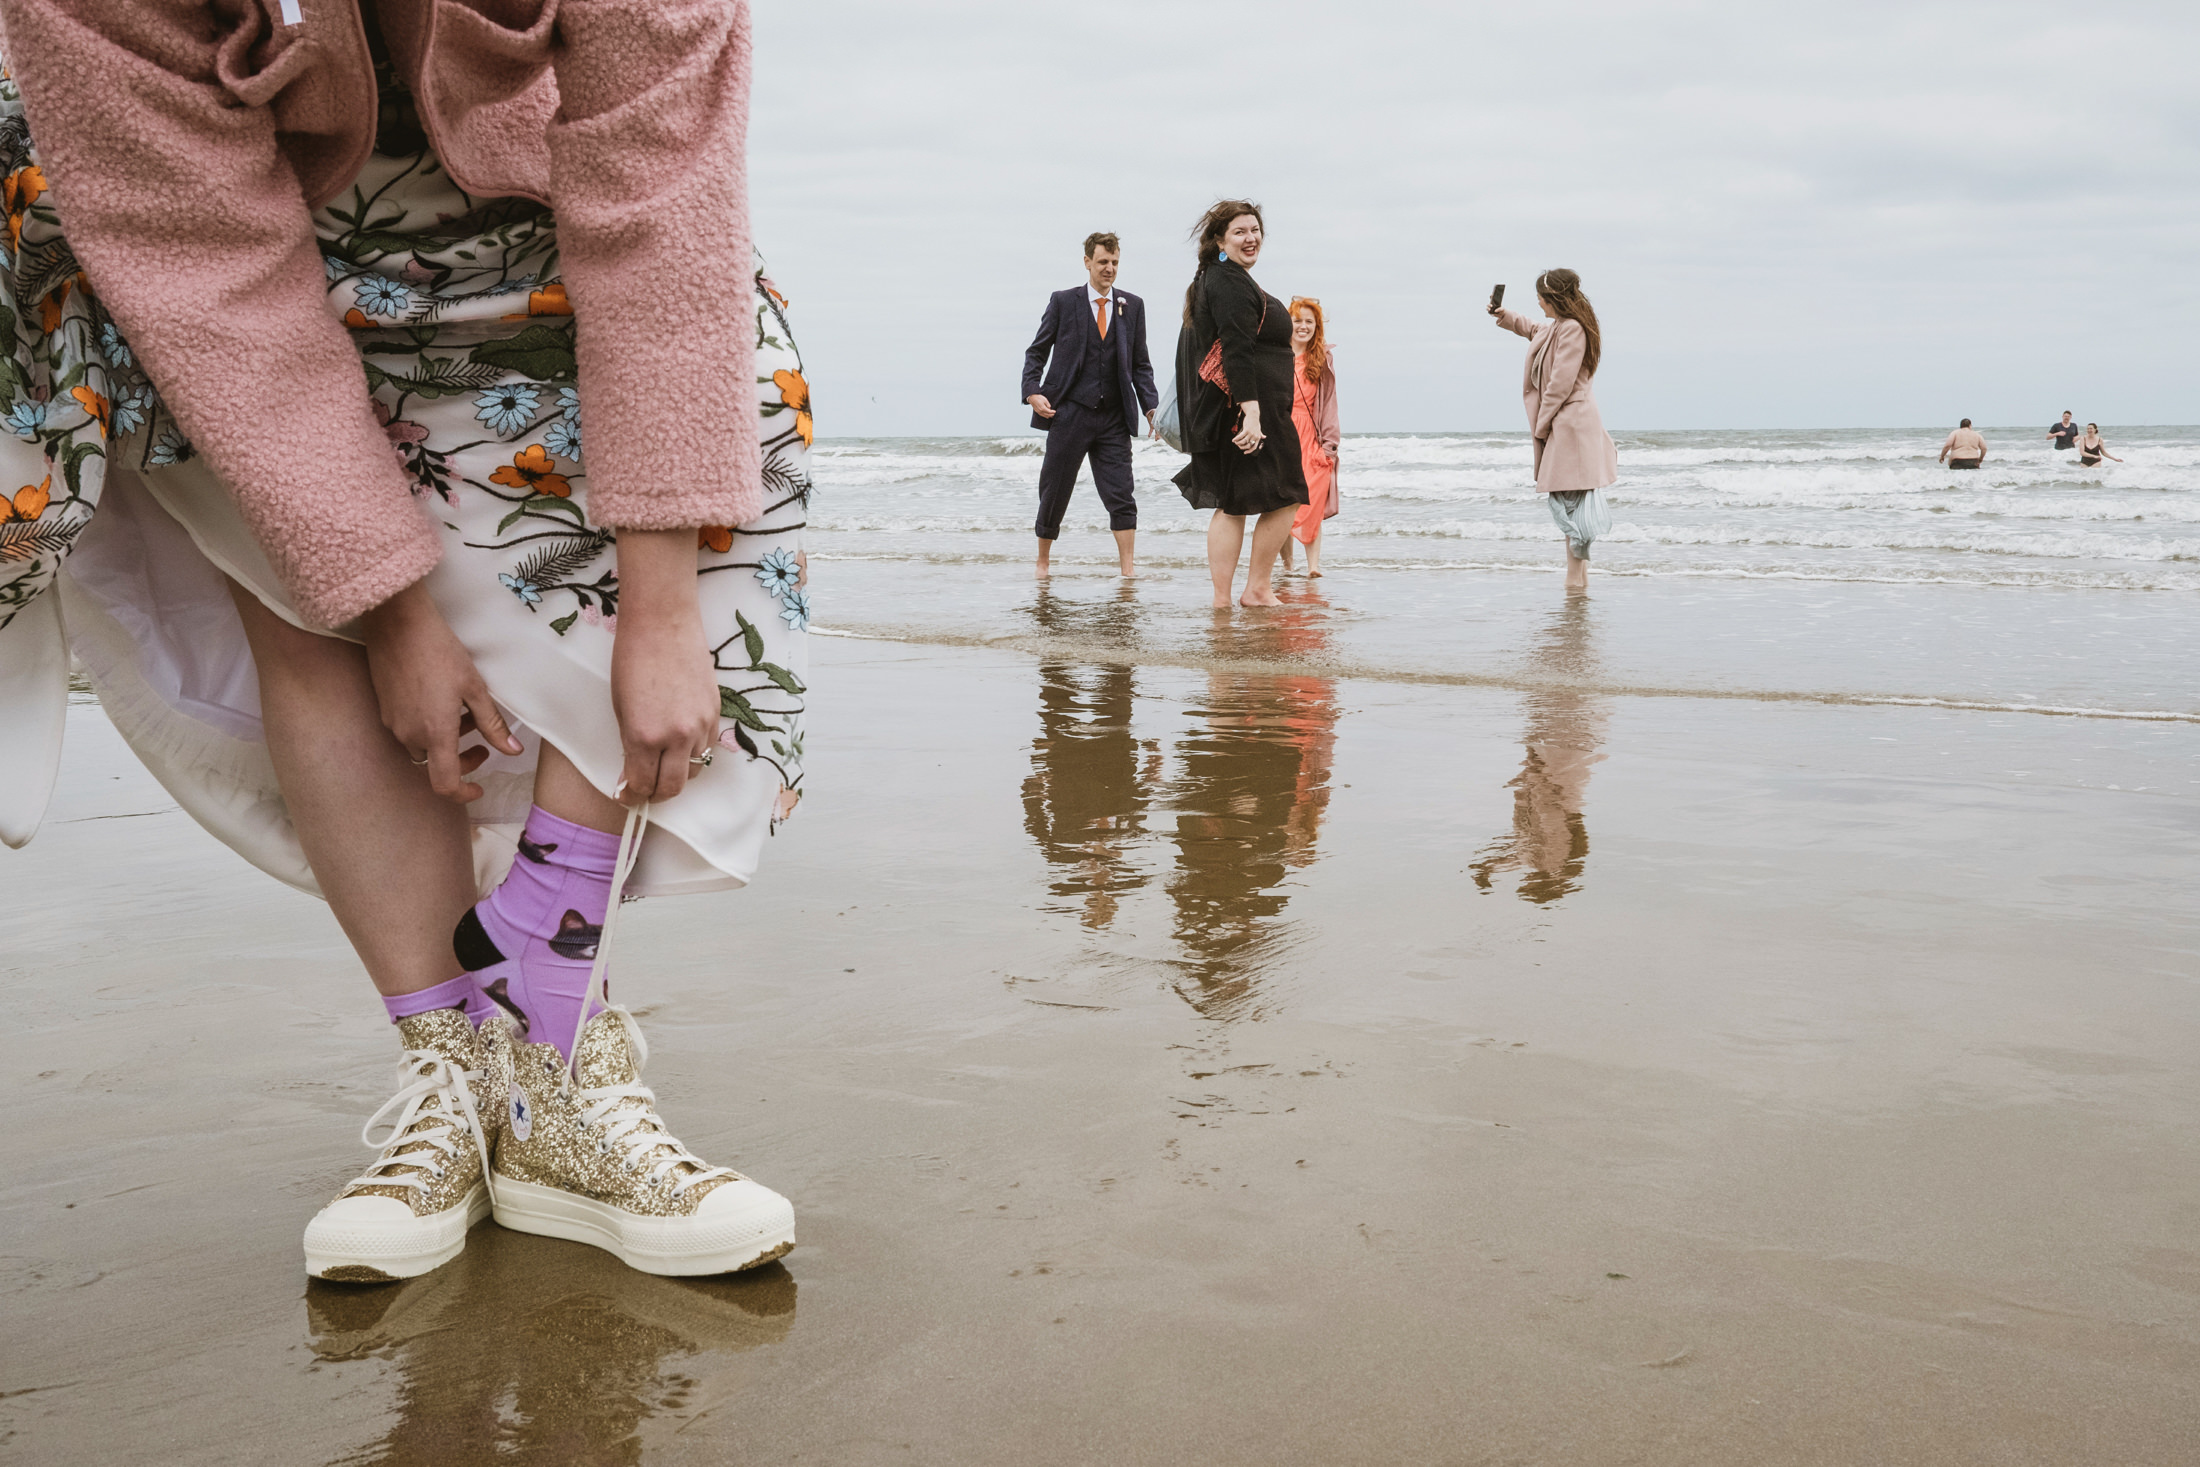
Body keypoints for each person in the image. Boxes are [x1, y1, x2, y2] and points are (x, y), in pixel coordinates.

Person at [0, 0, 804, 1284]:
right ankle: (456, 1072)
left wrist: (660, 597)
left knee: (728, 417)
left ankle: (548, 1070)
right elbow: (197, 256)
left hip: (538, 192)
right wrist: (385, 609)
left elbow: (660, 178)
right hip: (207, 245)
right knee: (281, 566)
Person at [1172, 201, 1307, 608]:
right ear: (1219, 241)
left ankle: (1224, 599)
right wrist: (1251, 412)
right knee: (1288, 493)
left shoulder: (1222, 278)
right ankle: (1257, 589)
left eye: (1255, 230)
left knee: (1234, 503)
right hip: (1249, 412)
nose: (1251, 238)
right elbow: (1236, 350)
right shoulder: (1227, 281)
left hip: (1244, 410)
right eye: (1239, 232)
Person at [1021, 232, 1159, 579]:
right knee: (1055, 489)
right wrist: (1032, 392)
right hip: (1069, 412)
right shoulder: (1063, 302)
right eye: (1103, 262)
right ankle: (1042, 563)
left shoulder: (1133, 305)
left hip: (1113, 417)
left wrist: (1151, 409)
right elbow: (1036, 352)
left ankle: (1128, 571)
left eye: (1114, 262)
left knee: (1121, 492)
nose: (1109, 268)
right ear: (1087, 263)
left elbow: (1141, 364)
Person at [1489, 268, 1617, 592]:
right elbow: (1533, 329)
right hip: (1566, 427)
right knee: (1571, 508)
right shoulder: (1560, 326)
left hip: (1572, 429)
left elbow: (1559, 386)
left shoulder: (1572, 330)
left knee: (1571, 509)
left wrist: (1542, 427)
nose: (1538, 304)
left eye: (1541, 299)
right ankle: (1579, 585)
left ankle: (1575, 585)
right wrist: (1504, 314)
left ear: (1553, 299)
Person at [1279, 298, 1340, 578]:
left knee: (1311, 502)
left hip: (1310, 437)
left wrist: (1329, 446)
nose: (1303, 326)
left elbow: (1329, 404)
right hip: (1281, 433)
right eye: (1297, 320)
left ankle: (1314, 567)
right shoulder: (1275, 354)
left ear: (1317, 327)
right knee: (1281, 503)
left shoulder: (1321, 359)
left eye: (1309, 322)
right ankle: (1288, 566)